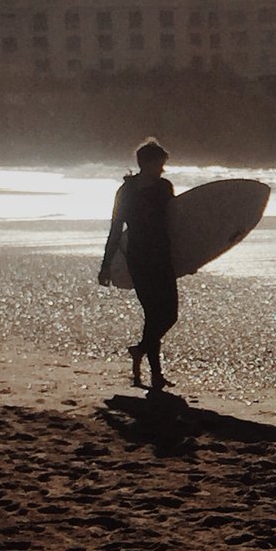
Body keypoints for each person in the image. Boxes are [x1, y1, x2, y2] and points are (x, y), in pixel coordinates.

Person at [98, 138, 178, 390]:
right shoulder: (126, 192)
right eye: (159, 164)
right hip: (140, 258)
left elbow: (176, 225)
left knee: (170, 314)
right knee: (154, 314)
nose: (163, 169)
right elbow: (115, 229)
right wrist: (106, 265)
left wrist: (191, 256)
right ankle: (156, 375)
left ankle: (140, 350)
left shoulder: (165, 188)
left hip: (163, 257)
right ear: (146, 163)